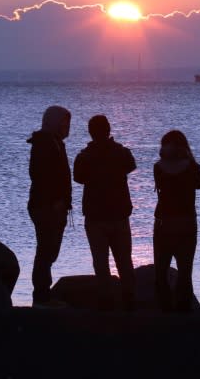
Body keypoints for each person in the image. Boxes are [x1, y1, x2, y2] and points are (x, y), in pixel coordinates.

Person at [73, 115, 137, 310]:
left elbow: (78, 178)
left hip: (95, 216)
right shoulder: (122, 153)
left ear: (91, 132)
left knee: (101, 263)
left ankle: (106, 303)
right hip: (119, 215)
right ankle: (129, 301)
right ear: (109, 130)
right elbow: (131, 166)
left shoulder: (84, 156)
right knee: (124, 261)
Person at [152, 130, 200, 312]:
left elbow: (160, 185)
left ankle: (165, 309)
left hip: (163, 223)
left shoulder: (158, 167)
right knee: (185, 271)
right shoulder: (192, 166)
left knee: (161, 270)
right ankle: (184, 309)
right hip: (187, 222)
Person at [26, 105, 72, 309]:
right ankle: (41, 296)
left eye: (67, 123)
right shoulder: (45, 144)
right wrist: (55, 201)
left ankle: (42, 294)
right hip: (46, 207)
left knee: (48, 251)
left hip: (52, 206)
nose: (67, 126)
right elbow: (41, 175)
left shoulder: (54, 142)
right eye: (63, 122)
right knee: (46, 250)